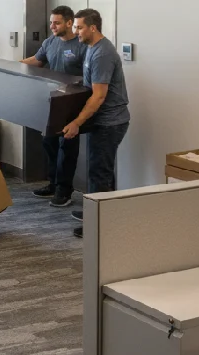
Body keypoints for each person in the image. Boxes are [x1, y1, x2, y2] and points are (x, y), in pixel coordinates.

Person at [62, 8, 130, 238]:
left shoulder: (103, 53)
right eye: (75, 27)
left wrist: (77, 122)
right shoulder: (91, 48)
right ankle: (101, 213)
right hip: (102, 121)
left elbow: (99, 95)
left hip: (110, 122)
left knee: (99, 172)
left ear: (93, 28)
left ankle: (98, 226)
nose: (75, 31)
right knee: (101, 170)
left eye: (79, 27)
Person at [21, 5, 87, 208]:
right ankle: (53, 182)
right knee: (49, 143)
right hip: (51, 102)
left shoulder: (81, 45)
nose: (52, 26)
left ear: (69, 23)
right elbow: (37, 61)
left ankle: (64, 190)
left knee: (67, 148)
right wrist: (11, 65)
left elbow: (90, 74)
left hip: (72, 105)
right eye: (51, 22)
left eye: (56, 23)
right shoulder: (50, 42)